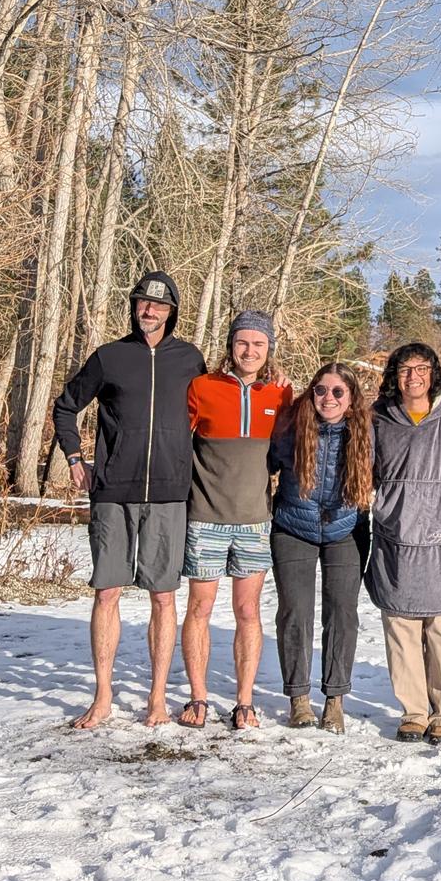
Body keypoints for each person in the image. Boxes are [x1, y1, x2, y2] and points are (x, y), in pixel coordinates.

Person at [52, 271, 205, 728]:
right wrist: (75, 457)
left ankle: (156, 698)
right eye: (142, 303)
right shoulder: (110, 357)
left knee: (162, 597)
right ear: (134, 306)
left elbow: (213, 411)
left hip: (169, 494)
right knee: (108, 592)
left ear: (172, 312)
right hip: (113, 492)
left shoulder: (190, 360)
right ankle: (102, 696)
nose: (149, 311)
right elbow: (65, 406)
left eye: (158, 306)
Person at [176, 311, 292, 730]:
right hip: (205, 517)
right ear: (230, 345)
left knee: (247, 611)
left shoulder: (281, 395)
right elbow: (174, 443)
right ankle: (198, 698)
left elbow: (290, 450)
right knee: (200, 607)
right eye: (242, 343)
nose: (249, 351)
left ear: (268, 349)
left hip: (254, 520)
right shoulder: (202, 387)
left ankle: (244, 703)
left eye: (258, 344)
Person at [365, 343, 441, 744]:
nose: (413, 376)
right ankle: (413, 710)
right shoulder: (379, 419)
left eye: (421, 368)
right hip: (395, 537)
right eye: (405, 369)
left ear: (433, 373)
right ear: (394, 375)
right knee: (401, 629)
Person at [269, 361, 372, 732]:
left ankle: (335, 699)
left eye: (337, 392)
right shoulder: (291, 425)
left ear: (351, 398)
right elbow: (262, 463)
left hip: (345, 529)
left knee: (342, 613)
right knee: (295, 612)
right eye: (321, 390)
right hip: (293, 526)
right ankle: (298, 697)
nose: (328, 398)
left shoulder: (365, 431)